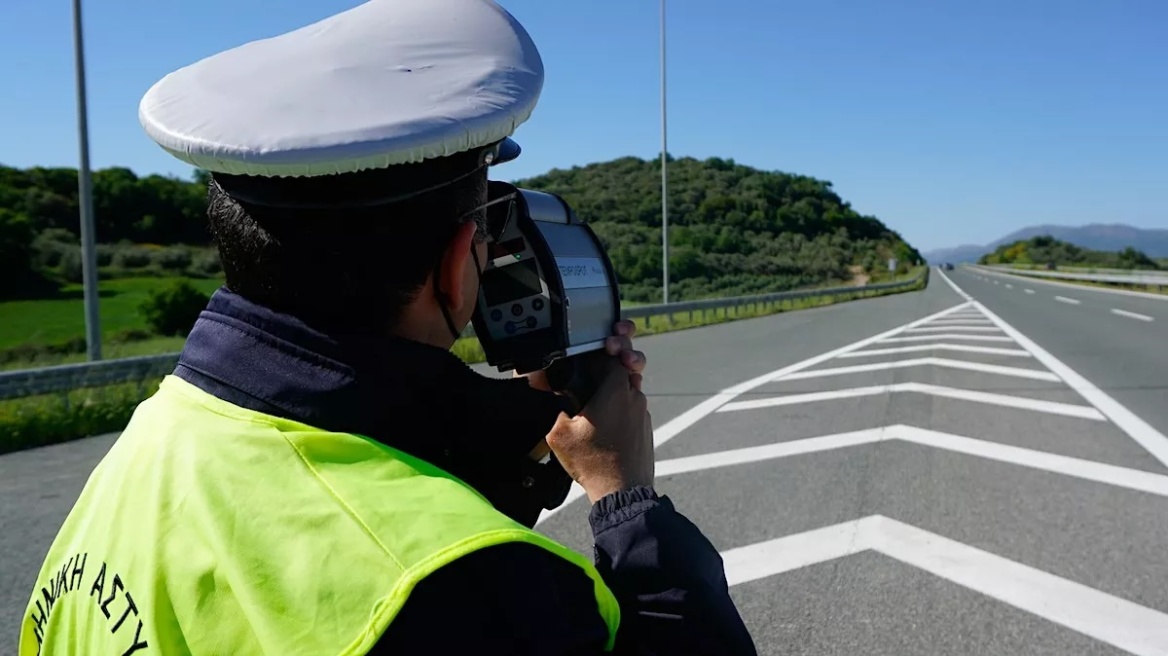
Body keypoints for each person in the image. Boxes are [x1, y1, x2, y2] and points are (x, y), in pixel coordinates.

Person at [19, 0, 757, 654]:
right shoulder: (468, 583)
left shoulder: (143, 453)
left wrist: (511, 438)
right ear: (457, 266)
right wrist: (624, 501)